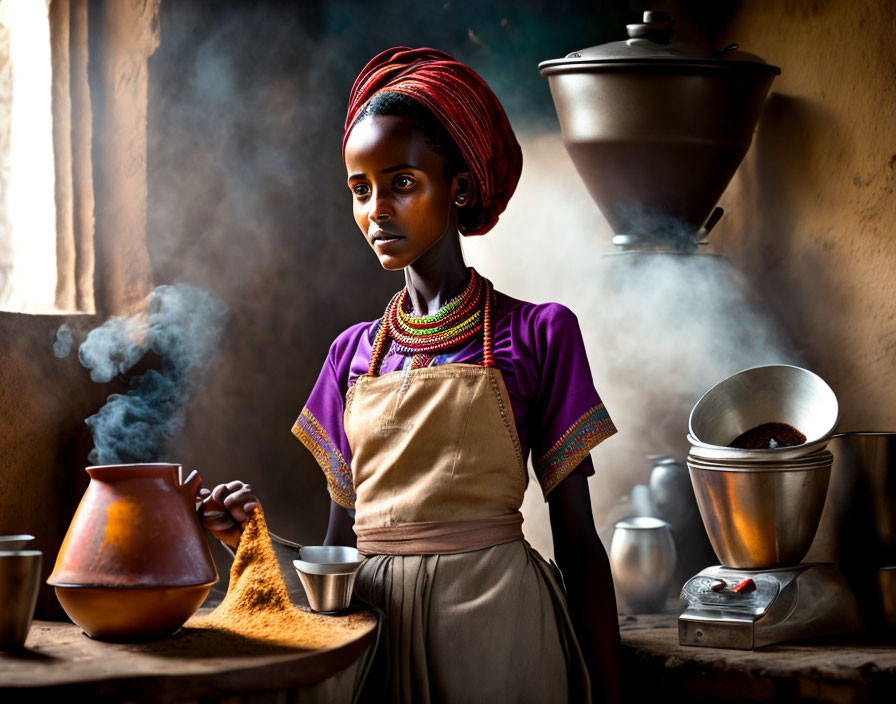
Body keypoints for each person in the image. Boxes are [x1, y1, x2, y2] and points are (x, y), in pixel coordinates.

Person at [201, 47, 622, 704]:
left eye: (401, 183)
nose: (376, 211)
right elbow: (340, 553)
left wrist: (612, 690)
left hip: (498, 635)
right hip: (373, 637)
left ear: (458, 186)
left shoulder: (541, 333)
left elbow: (577, 542)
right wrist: (253, 537)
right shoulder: (349, 355)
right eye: (360, 188)